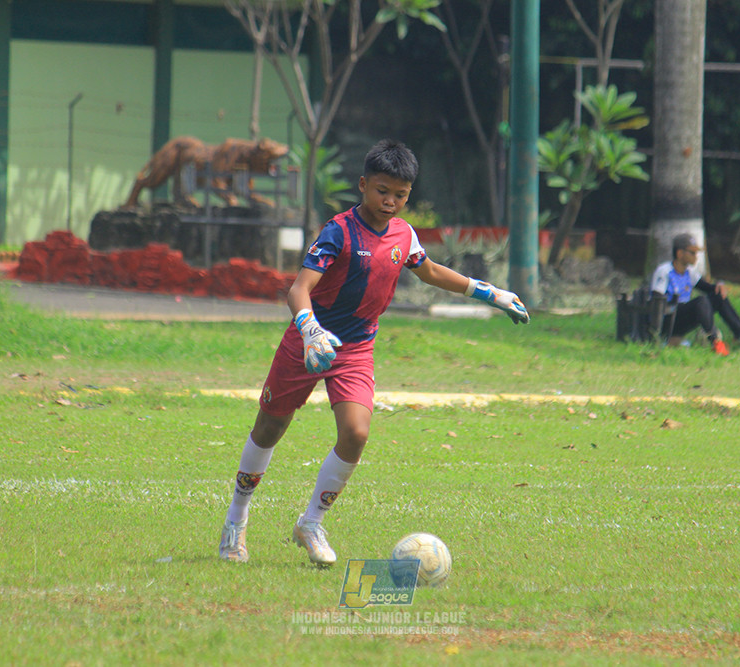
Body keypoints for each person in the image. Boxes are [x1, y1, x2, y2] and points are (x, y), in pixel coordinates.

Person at [218, 139, 529, 566]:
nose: (391, 202)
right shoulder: (339, 231)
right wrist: (310, 331)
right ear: (363, 185)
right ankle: (236, 519)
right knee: (269, 430)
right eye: (383, 191)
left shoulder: (404, 234)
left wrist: (490, 292)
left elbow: (430, 271)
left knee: (357, 433)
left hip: (357, 347)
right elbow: (299, 289)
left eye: (401, 195)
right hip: (308, 340)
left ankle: (311, 522)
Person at [650, 233, 740, 356]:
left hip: (683, 317)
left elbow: (708, 288)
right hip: (668, 320)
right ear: (680, 254)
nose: (696, 257)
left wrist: (718, 286)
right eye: (692, 253)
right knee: (701, 301)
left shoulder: (689, 273)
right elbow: (656, 301)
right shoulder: (664, 272)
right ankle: (714, 341)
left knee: (717, 295)